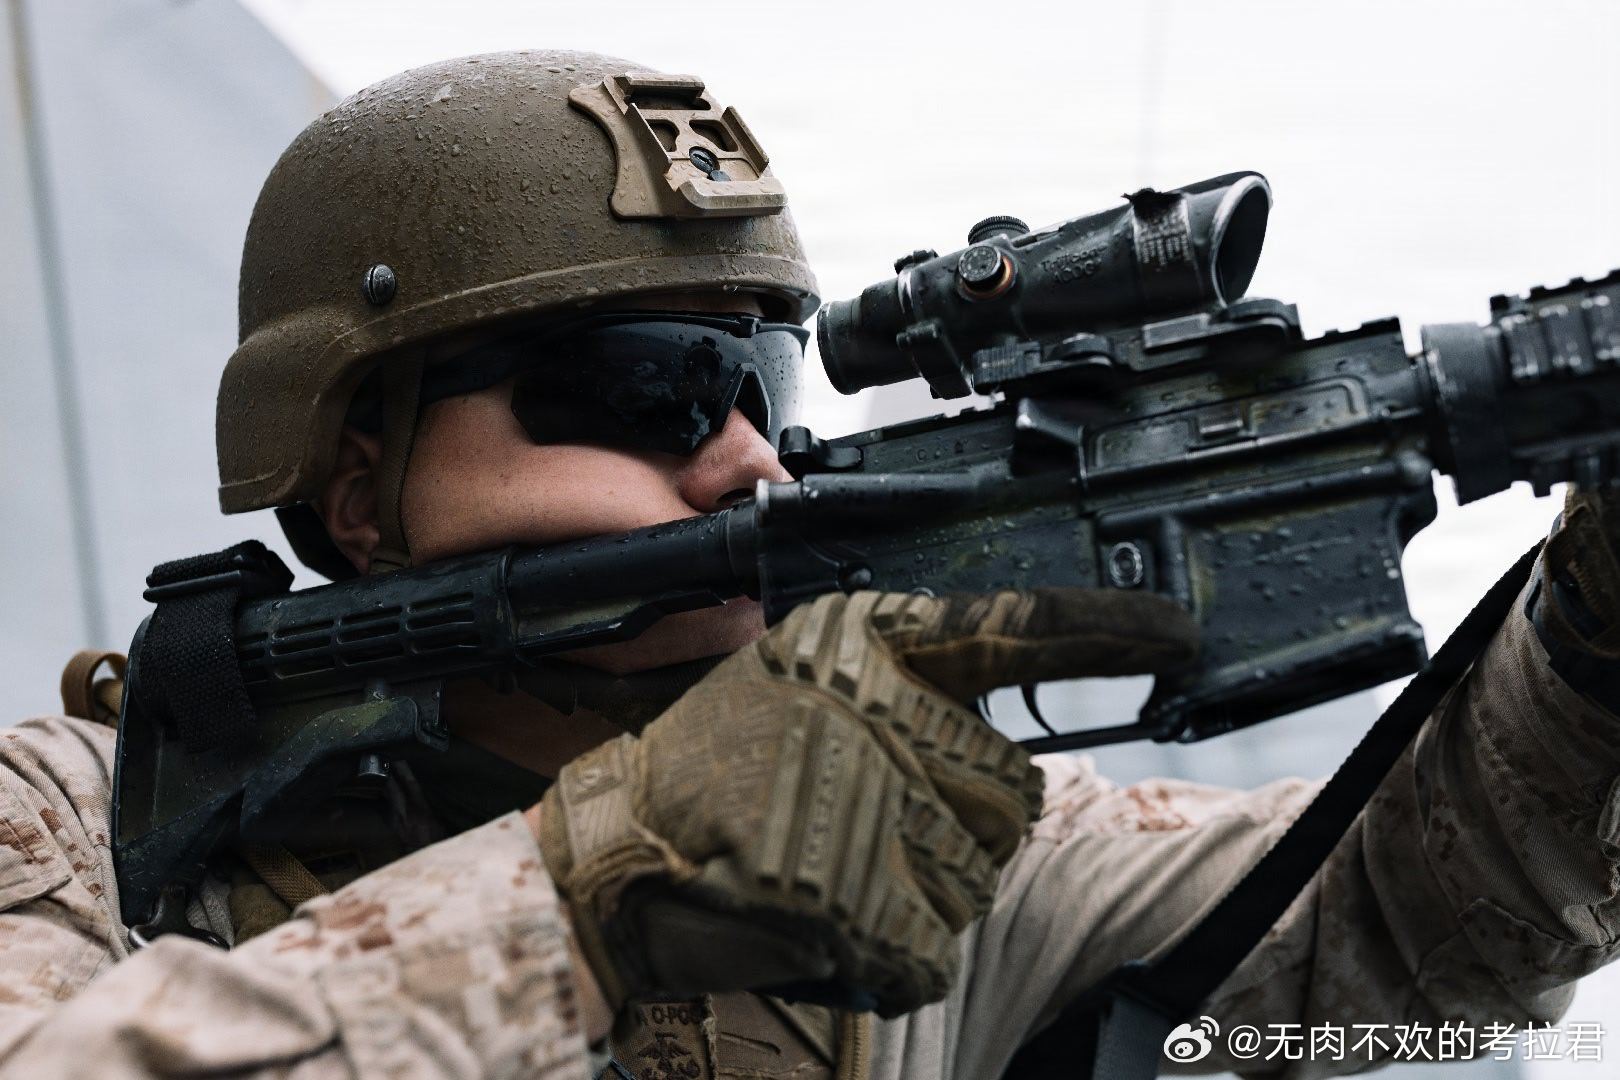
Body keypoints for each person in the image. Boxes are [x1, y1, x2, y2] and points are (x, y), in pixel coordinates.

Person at [1, 49, 1618, 1080]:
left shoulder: (909, 829)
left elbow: (1428, 924)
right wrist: (588, 897)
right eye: (644, 385)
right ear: (362, 486)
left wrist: (1599, 627)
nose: (747, 459)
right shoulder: (74, 823)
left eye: (762, 387)